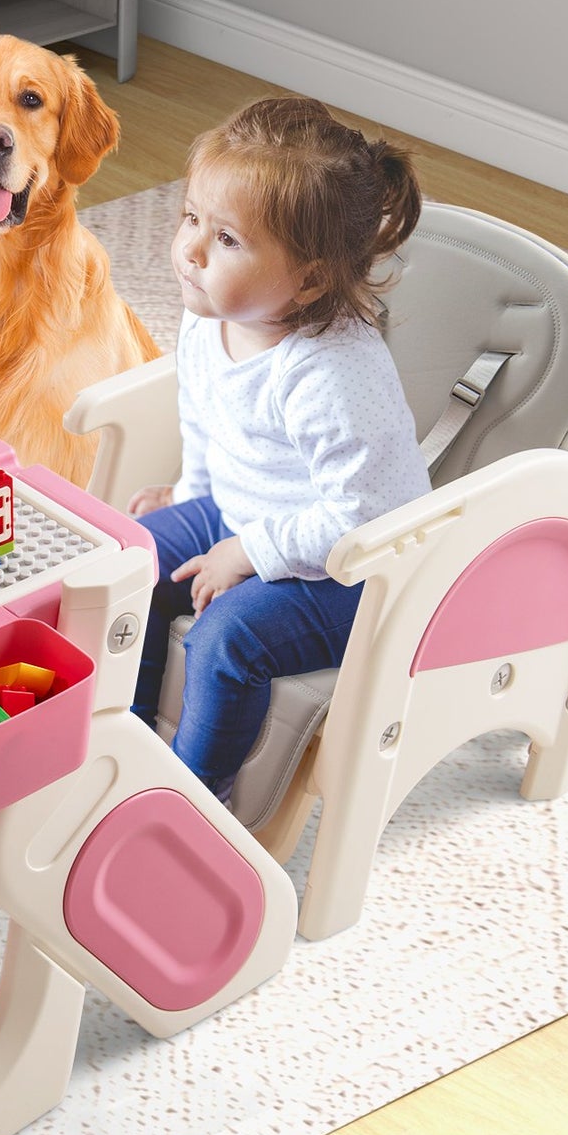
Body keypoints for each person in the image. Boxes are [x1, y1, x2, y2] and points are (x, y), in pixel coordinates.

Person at [129, 96, 433, 803]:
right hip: (245, 512)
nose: (192, 250)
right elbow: (201, 415)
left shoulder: (330, 373)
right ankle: (124, 733)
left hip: (356, 571)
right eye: (190, 219)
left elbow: (364, 518)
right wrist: (185, 492)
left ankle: (194, 796)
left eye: (227, 240)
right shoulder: (209, 314)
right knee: (128, 560)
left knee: (226, 640)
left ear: (310, 277)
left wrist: (248, 553)